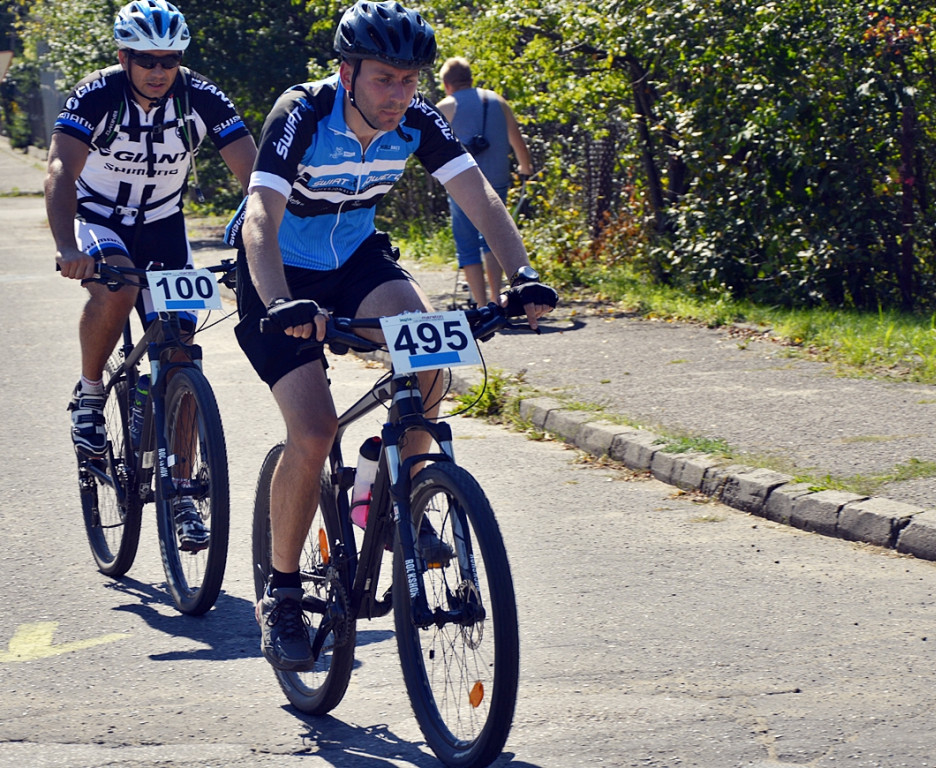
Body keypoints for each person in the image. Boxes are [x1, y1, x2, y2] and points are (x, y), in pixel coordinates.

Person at [232, 0, 557, 672]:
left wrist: (522, 275)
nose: (398, 94)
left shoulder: (417, 118)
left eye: (410, 80)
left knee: (432, 359)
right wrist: (278, 301)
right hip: (277, 275)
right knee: (315, 429)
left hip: (354, 264)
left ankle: (399, 498)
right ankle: (284, 594)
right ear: (346, 72)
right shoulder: (301, 113)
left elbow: (480, 198)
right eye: (384, 78)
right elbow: (261, 214)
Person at [47, 0, 257, 551]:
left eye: (169, 59)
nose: (159, 71)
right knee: (119, 283)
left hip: (164, 227)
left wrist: (268, 245)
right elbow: (60, 169)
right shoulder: (97, 94)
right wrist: (69, 246)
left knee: (181, 349)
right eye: (146, 60)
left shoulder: (201, 96)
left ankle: (182, 488)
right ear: (124, 57)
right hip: (98, 218)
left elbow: (255, 177)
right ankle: (91, 394)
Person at [436, 57, 534, 307]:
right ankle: (497, 298)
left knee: (467, 242)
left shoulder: (446, 106)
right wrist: (525, 167)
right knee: (492, 235)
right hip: (498, 179)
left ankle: (481, 306)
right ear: (470, 78)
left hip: (464, 184)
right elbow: (517, 139)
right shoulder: (497, 101)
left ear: (447, 84)